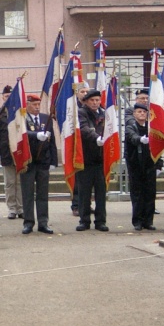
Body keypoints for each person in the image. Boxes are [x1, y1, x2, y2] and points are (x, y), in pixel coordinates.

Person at [21, 94, 57, 234]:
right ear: (27, 104)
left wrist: (54, 161)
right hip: (28, 162)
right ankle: (28, 222)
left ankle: (43, 222)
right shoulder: (22, 118)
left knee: (43, 193)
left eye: (38, 104)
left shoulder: (45, 118)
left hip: (43, 161)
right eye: (34, 104)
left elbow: (52, 141)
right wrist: (35, 135)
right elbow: (22, 133)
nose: (37, 107)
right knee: (28, 193)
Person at [124, 103, 162, 231]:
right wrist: (140, 139)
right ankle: (137, 221)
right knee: (137, 194)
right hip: (136, 166)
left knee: (150, 194)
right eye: (139, 112)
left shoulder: (151, 128)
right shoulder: (131, 126)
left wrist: (159, 165)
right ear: (134, 114)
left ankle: (148, 221)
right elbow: (132, 137)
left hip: (150, 165)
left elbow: (158, 148)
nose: (141, 114)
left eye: (144, 112)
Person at [76, 89, 109, 232]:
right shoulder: (81, 113)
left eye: (97, 100)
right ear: (86, 101)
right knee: (84, 192)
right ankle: (84, 220)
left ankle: (100, 220)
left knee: (101, 192)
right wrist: (97, 137)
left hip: (101, 158)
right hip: (86, 158)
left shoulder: (104, 113)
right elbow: (83, 129)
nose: (95, 103)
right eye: (92, 101)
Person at [0, 85, 23, 220]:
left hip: (20, 152)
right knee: (10, 182)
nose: (8, 98)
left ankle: (21, 208)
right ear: (2, 98)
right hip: (6, 152)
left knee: (21, 182)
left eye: (11, 96)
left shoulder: (21, 112)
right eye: (6, 97)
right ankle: (12, 208)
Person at [71, 81, 91, 217]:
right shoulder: (72, 107)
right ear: (77, 93)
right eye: (82, 91)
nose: (85, 94)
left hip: (89, 146)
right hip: (76, 145)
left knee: (89, 180)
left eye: (86, 91)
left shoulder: (91, 107)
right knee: (78, 179)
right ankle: (76, 205)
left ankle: (87, 205)